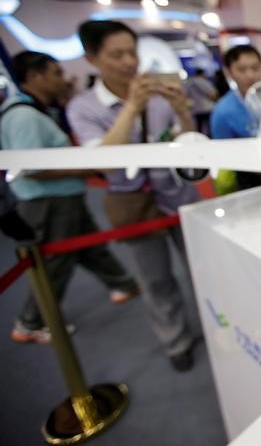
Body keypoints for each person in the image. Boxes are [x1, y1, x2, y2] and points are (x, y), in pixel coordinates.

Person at [67, 21, 199, 371]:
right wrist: (130, 107)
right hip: (132, 207)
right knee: (155, 279)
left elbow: (190, 147)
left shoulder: (159, 98)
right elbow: (103, 162)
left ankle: (220, 329)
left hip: (177, 197)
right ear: (92, 58)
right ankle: (176, 341)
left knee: (201, 268)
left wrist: (183, 111)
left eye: (132, 52)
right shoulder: (83, 108)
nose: (129, 62)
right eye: (117, 54)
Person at [3, 51, 138, 344]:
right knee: (54, 263)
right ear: (35, 76)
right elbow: (30, 169)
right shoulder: (24, 116)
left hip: (64, 198)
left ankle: (122, 283)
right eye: (55, 73)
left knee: (90, 246)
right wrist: (88, 168)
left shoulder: (37, 110)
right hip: (47, 203)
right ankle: (31, 321)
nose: (62, 80)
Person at [210, 45, 261, 191]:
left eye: (255, 68)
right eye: (242, 70)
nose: (250, 75)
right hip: (247, 181)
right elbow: (224, 158)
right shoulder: (223, 111)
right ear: (229, 72)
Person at [184, 68, 218, 136]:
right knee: (209, 128)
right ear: (202, 74)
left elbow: (186, 95)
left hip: (196, 109)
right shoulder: (204, 82)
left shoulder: (189, 83)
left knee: (199, 129)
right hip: (207, 108)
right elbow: (213, 94)